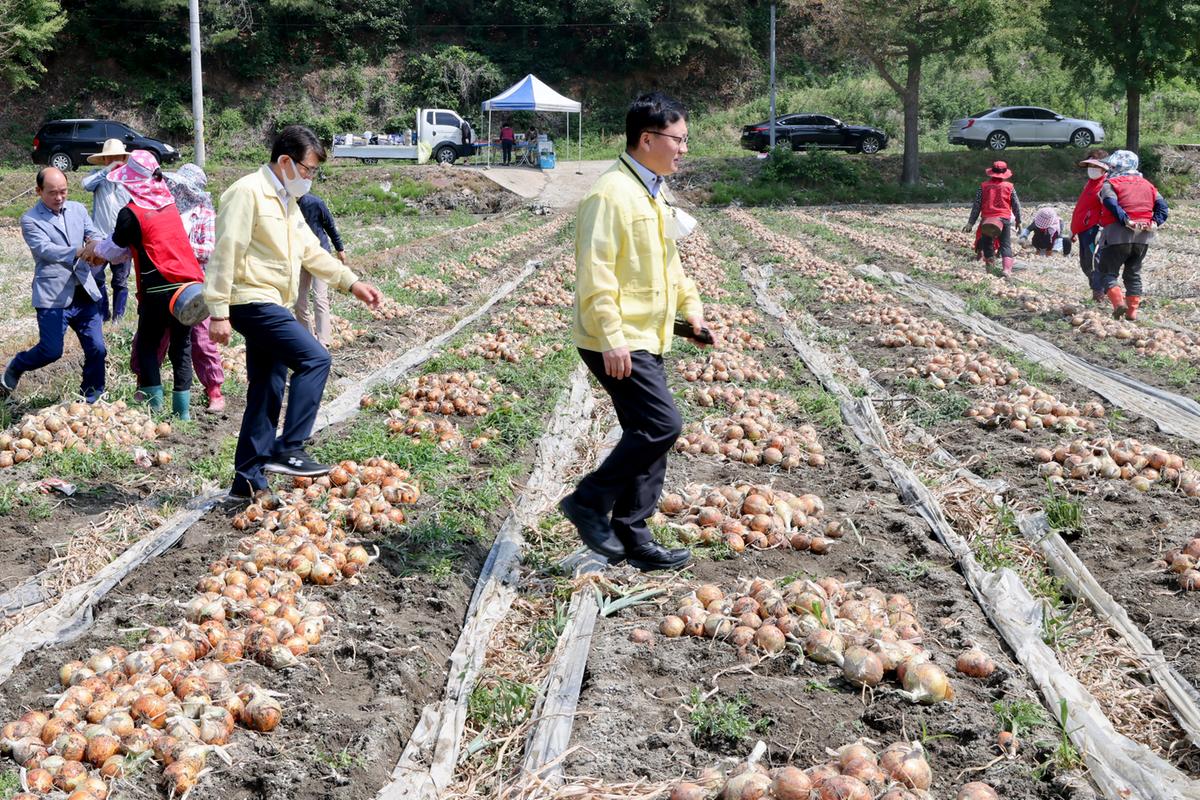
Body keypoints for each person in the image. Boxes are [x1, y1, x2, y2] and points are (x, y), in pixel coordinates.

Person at [560, 91, 713, 572]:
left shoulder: (652, 188)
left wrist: (692, 313)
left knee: (648, 432)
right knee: (661, 424)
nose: (684, 149)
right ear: (648, 139)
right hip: (619, 337)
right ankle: (588, 502)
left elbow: (669, 261)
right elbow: (596, 272)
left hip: (647, 333)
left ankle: (634, 533)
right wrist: (611, 337)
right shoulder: (609, 194)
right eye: (678, 139)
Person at [204, 125, 383, 498]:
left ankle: (247, 480)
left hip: (274, 302)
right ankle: (289, 447)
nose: (310, 178)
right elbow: (226, 252)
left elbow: (312, 251)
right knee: (315, 359)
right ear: (285, 161)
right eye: (308, 169)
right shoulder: (246, 193)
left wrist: (351, 282)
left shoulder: (287, 201)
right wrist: (218, 310)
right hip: (250, 300)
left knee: (266, 389)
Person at [86, 150, 207, 419]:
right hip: (189, 286)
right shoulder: (169, 205)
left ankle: (154, 405)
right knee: (181, 346)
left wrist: (94, 248)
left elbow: (116, 249)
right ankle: (182, 413)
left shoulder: (130, 213)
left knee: (148, 345)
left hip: (158, 288)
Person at [1, 168, 107, 401]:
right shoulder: (30, 219)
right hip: (53, 294)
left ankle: (91, 397)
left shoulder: (78, 209)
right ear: (39, 191)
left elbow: (92, 232)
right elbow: (45, 250)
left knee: (97, 348)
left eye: (63, 192)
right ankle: (18, 364)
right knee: (51, 351)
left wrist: (96, 244)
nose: (59, 197)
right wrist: (80, 251)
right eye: (52, 193)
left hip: (83, 291)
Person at [129, 163, 227, 413]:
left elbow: (209, 249)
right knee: (153, 339)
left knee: (201, 340)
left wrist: (177, 249)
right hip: (164, 283)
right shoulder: (164, 208)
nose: (180, 191)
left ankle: (213, 389)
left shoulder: (204, 212)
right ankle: (146, 387)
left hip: (194, 287)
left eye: (185, 188)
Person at [1096, 150, 1169, 322]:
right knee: (1133, 273)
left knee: (1108, 272)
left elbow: (1110, 202)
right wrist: (1155, 222)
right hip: (1143, 237)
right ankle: (1132, 312)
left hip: (1116, 235)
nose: (1108, 169)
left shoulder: (1110, 184)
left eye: (1111, 166)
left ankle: (1118, 303)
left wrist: (1125, 220)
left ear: (1116, 166)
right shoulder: (1148, 185)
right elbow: (1163, 207)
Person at [81, 138, 132, 321]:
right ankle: (103, 314)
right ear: (103, 160)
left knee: (120, 280)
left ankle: (118, 317)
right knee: (95, 277)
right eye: (109, 158)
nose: (113, 160)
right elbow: (85, 185)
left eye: (117, 157)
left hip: (122, 238)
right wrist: (107, 171)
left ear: (124, 158)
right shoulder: (98, 177)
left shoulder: (129, 180)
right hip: (99, 237)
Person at [296, 193, 346, 349]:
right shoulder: (285, 205)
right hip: (301, 257)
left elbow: (329, 225)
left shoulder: (315, 203)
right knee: (299, 301)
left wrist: (340, 248)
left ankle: (323, 341)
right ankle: (307, 338)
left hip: (320, 255)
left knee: (319, 297)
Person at [964, 161, 1022, 276]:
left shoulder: (983, 186)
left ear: (991, 173)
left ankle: (990, 271)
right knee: (1005, 244)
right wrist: (1018, 221)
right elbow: (1016, 205)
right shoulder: (1009, 187)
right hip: (1004, 219)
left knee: (988, 245)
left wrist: (971, 222)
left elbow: (977, 206)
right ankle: (1006, 270)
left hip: (987, 220)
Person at [1071, 149, 1110, 302]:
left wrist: (1102, 227)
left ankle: (1099, 293)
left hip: (1095, 229)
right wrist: (1073, 230)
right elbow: (1081, 208)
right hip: (1083, 230)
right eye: (1090, 166)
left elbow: (1107, 209)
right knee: (1085, 262)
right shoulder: (1090, 184)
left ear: (1104, 167)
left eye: (1095, 166)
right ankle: (1099, 288)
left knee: (1094, 261)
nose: (1092, 170)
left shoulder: (1105, 185)